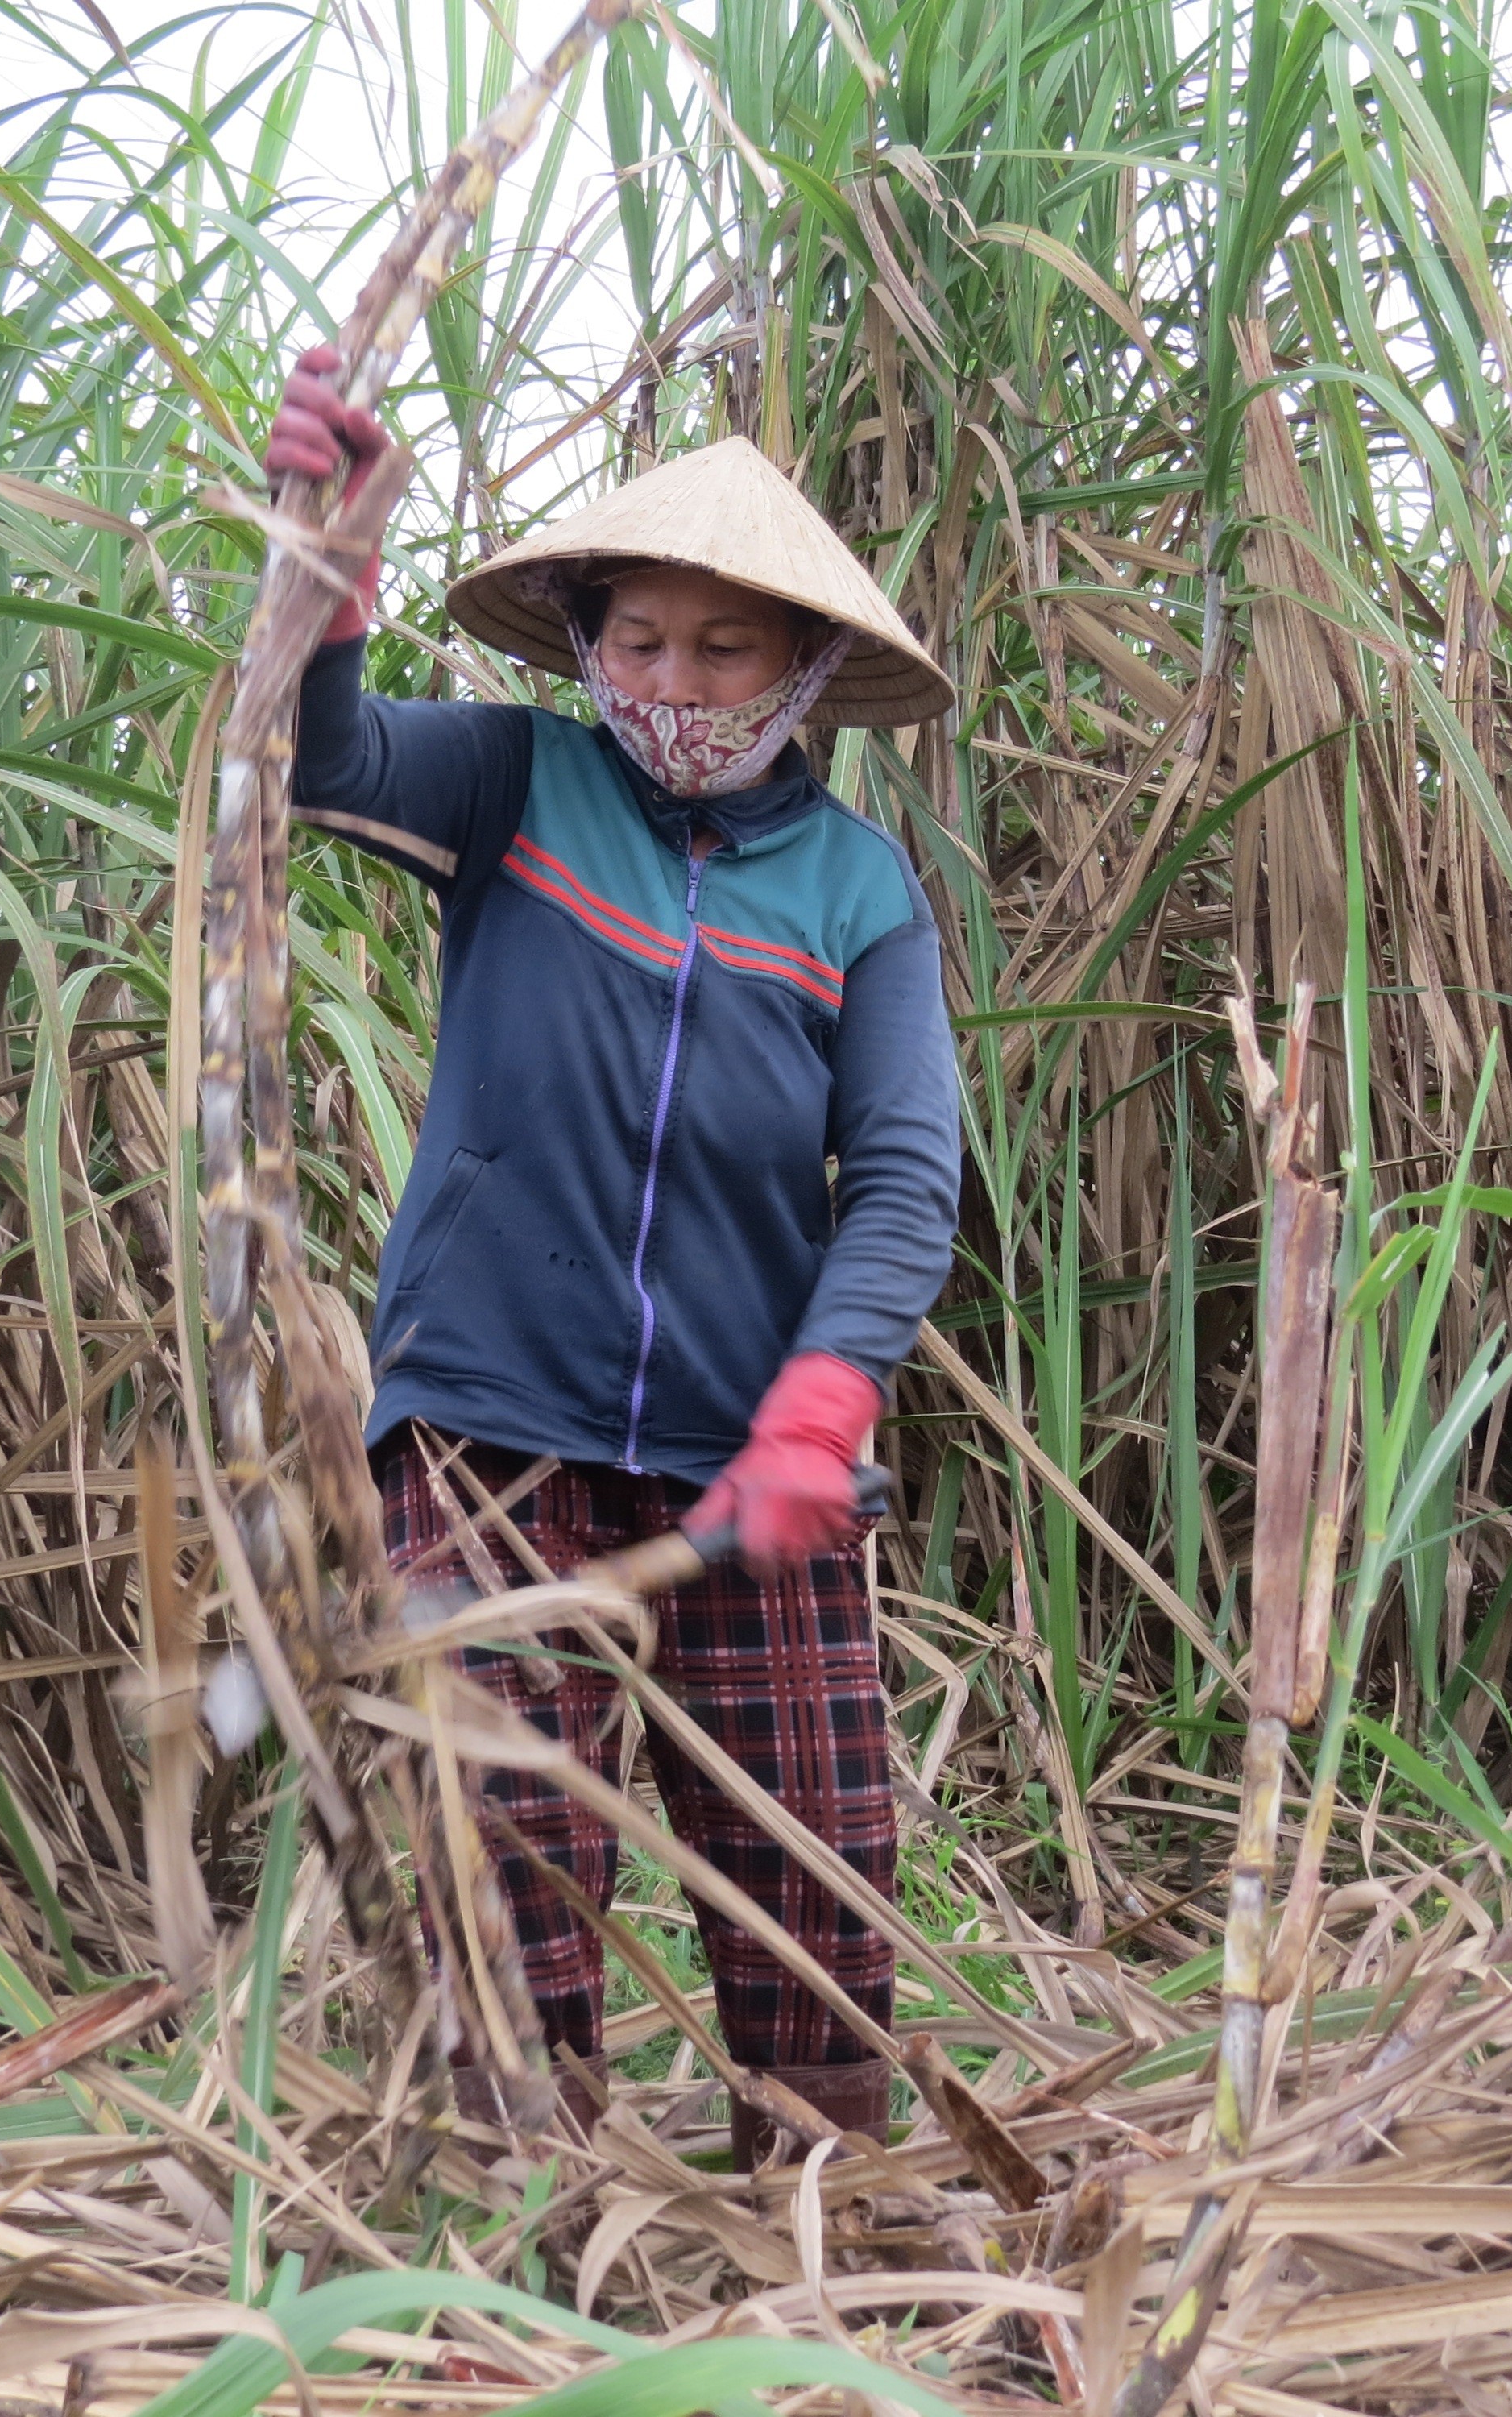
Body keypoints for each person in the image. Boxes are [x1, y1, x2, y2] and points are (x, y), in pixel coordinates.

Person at [263, 346, 962, 2168]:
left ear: (803, 668)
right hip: (490, 1415)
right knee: (498, 1849)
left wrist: (820, 1405)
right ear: (587, 640)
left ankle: (825, 2230)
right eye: (636, 638)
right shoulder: (512, 783)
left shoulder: (858, 893)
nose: (671, 682)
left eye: (721, 648)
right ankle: (516, 2227)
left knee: (808, 1855)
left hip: (749, 1457)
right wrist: (323, 580)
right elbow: (310, 757)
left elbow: (896, 1180)